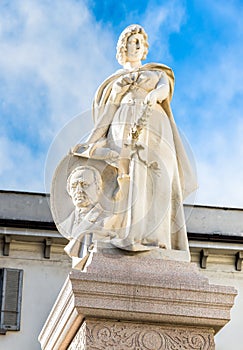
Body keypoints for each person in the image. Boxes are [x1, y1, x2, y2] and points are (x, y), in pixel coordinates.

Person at [73, 24, 197, 253]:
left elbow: (163, 91)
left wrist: (152, 97)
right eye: (133, 40)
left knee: (159, 178)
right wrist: (91, 142)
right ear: (124, 46)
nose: (138, 45)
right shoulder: (114, 82)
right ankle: (130, 231)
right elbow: (107, 116)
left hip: (156, 125)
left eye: (141, 41)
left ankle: (157, 237)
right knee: (131, 177)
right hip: (124, 124)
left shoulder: (158, 72)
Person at [61, 165, 114, 267]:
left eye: (84, 184)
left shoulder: (107, 219)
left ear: (98, 188)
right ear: (69, 191)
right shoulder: (66, 224)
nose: (79, 190)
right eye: (74, 186)